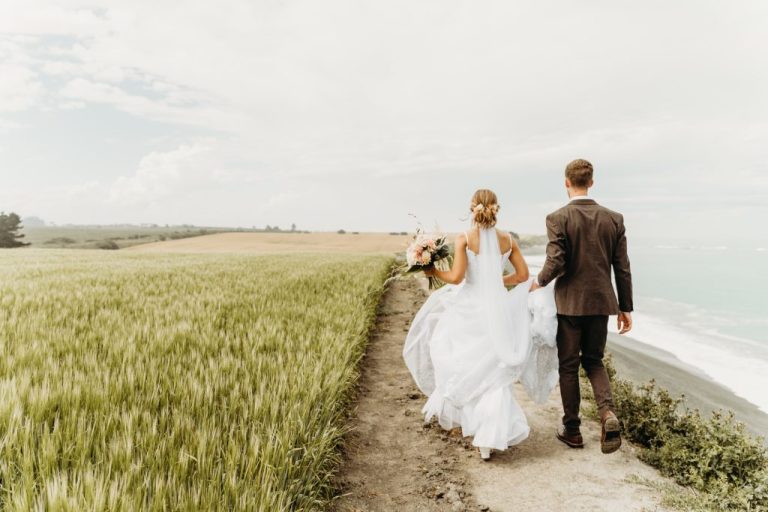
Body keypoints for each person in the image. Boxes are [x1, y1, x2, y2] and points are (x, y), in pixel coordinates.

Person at [403, 189, 558, 460]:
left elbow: (456, 277)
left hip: (468, 310)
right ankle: (489, 438)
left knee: (464, 363)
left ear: (472, 208)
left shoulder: (464, 238)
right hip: (497, 312)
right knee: (494, 373)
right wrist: (498, 283)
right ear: (496, 208)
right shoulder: (507, 239)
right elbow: (522, 276)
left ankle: (473, 424)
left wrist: (432, 271)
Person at [530, 158, 633, 454]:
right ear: (591, 182)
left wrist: (539, 281)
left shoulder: (557, 218)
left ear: (566, 182)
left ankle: (573, 431)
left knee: (569, 365)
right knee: (594, 361)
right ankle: (607, 414)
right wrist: (625, 307)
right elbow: (622, 267)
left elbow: (556, 260)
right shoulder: (614, 219)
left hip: (570, 304)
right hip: (601, 302)